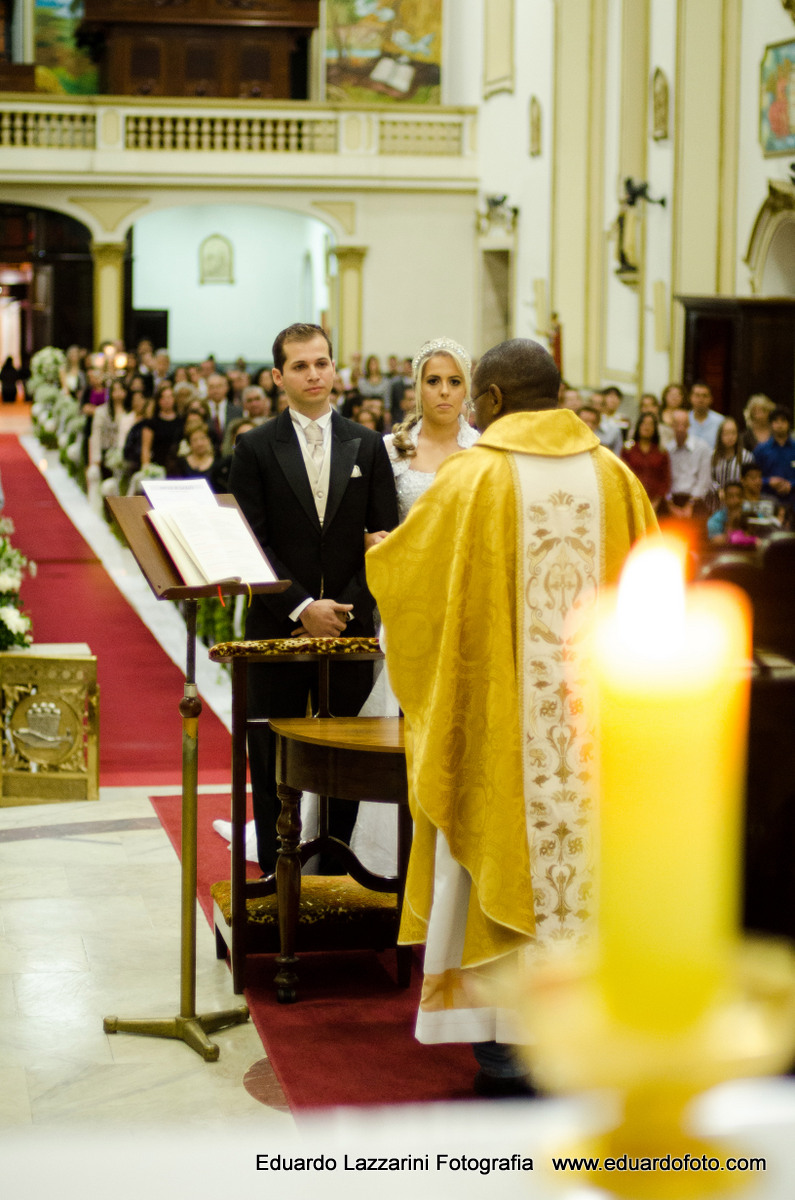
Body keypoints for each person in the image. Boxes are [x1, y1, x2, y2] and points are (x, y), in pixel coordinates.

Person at [366, 338, 657, 1096]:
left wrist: (379, 557)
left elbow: (413, 591)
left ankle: (501, 1052)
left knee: (494, 849)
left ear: (490, 400)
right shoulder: (616, 480)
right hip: (595, 744)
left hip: (501, 744)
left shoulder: (471, 480)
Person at [229, 322, 398, 875]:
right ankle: (276, 871)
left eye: (321, 362)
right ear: (278, 376)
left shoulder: (367, 444)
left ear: (335, 368)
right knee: (271, 749)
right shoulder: (254, 446)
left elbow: (382, 538)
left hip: (349, 626)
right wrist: (303, 609)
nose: (314, 374)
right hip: (279, 624)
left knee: (348, 753)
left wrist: (342, 609)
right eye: (300, 366)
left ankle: (339, 868)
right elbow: (252, 542)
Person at [352, 336, 479, 876]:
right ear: (417, 386)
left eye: (454, 382)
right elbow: (370, 526)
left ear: (469, 389)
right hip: (404, 606)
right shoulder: (390, 449)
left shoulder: (483, 452)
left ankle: (453, 848)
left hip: (463, 600)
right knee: (397, 722)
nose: (443, 392)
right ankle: (386, 855)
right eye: (433, 380)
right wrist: (377, 548)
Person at [666, 407, 712, 521]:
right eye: (677, 424)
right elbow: (664, 482)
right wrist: (671, 506)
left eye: (684, 425)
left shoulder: (702, 447)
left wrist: (690, 505)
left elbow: (704, 481)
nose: (681, 428)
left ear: (689, 426)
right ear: (671, 425)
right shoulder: (667, 450)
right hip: (672, 500)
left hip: (695, 499)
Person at [753, 404, 795, 525]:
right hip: (767, 501)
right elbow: (753, 478)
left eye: (783, 421)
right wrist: (769, 481)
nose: (779, 424)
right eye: (775, 421)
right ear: (770, 424)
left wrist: (790, 484)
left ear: (789, 424)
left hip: (793, 500)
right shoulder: (761, 450)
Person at [622, 412, 671, 511]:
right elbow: (622, 477)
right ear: (638, 426)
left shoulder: (661, 452)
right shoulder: (628, 450)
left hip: (656, 504)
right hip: (631, 502)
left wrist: (655, 503)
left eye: (650, 424)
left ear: (655, 428)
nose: (646, 427)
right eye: (643, 423)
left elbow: (665, 479)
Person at [708, 416, 753, 510]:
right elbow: (708, 478)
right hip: (716, 503)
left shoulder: (746, 456)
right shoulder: (712, 456)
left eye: (733, 433)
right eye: (726, 434)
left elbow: (749, 479)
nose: (730, 437)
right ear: (720, 436)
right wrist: (718, 490)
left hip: (738, 502)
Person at [687, 381, 723, 449]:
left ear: (711, 399)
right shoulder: (684, 420)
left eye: (705, 396)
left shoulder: (720, 422)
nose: (701, 399)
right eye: (697, 395)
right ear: (690, 398)